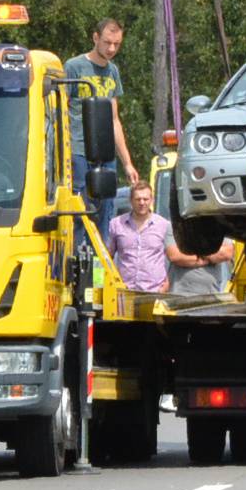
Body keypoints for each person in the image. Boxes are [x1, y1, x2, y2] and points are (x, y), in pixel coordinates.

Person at [65, 18, 139, 234]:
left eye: (117, 44)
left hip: (105, 153)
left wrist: (127, 163)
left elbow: (114, 119)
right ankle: (78, 261)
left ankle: (100, 263)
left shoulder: (112, 72)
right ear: (95, 38)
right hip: (78, 150)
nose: (112, 48)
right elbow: (60, 109)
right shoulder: (74, 66)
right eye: (107, 42)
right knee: (80, 210)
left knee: (105, 210)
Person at [105, 180, 172, 292]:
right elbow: (106, 258)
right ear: (131, 200)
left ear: (152, 200)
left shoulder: (164, 225)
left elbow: (174, 257)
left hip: (155, 291)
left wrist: (167, 285)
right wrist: (107, 284)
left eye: (145, 199)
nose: (142, 203)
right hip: (124, 291)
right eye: (138, 199)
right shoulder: (116, 224)